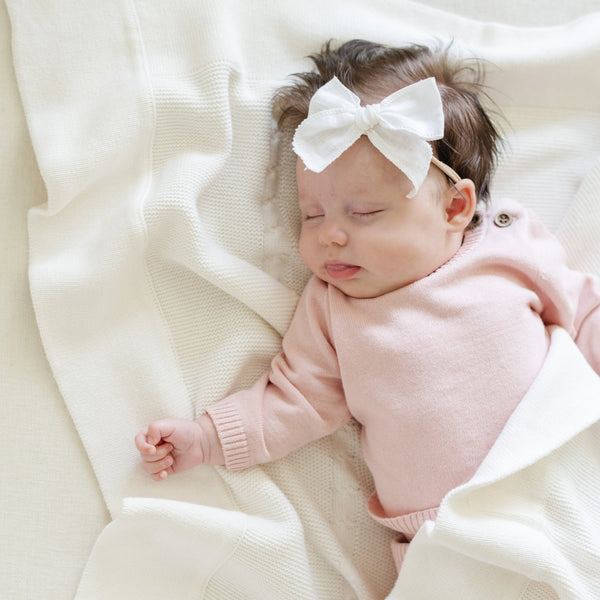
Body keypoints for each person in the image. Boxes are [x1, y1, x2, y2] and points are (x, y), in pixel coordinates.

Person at [135, 40, 600, 569]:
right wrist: (208, 438)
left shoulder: (506, 243)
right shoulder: (333, 309)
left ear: (455, 205)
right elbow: (295, 399)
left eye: (364, 212)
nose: (330, 236)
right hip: (443, 533)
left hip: (560, 472)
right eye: (312, 214)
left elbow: (583, 312)